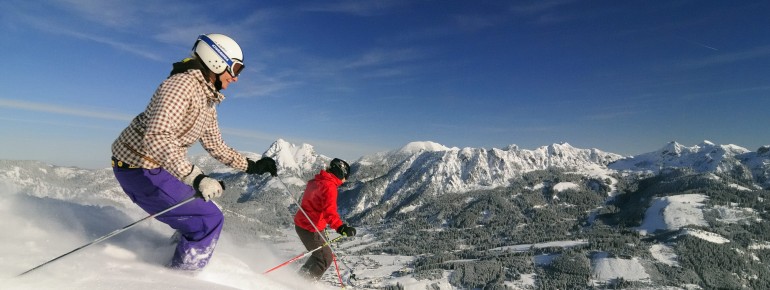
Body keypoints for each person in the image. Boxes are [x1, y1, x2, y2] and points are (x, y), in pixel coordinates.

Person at [111, 33, 278, 271]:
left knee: (200, 212)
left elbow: (215, 144)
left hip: (154, 167)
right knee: (209, 219)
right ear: (216, 61)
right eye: (236, 69)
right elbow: (157, 136)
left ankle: (170, 259)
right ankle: (181, 279)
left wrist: (252, 166)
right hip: (140, 168)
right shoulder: (181, 86)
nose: (236, 78)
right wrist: (196, 177)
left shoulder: (206, 98)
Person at [294, 158, 357, 280]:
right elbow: (330, 212)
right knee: (325, 258)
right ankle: (302, 284)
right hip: (311, 228)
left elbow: (315, 204)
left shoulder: (317, 180)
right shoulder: (329, 187)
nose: (345, 180)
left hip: (304, 223)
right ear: (341, 173)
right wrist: (341, 227)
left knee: (319, 256)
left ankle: (300, 279)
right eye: (346, 176)